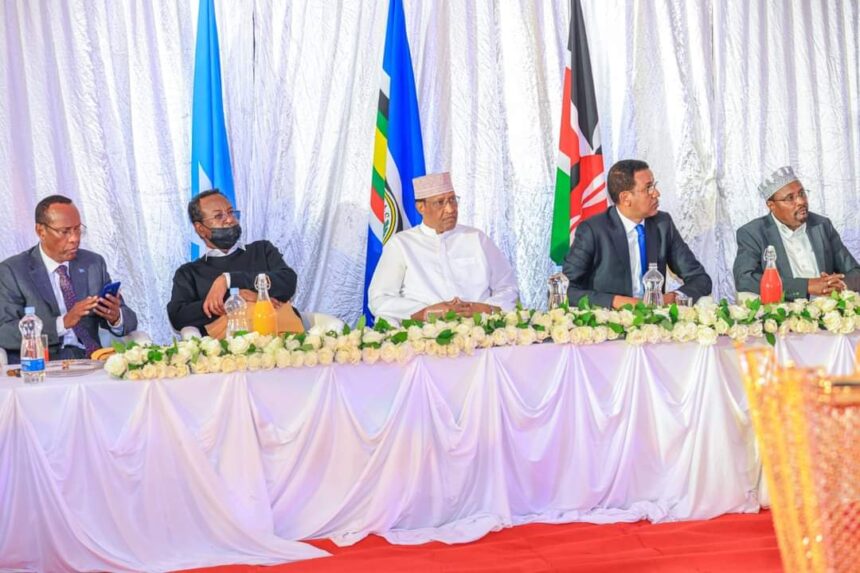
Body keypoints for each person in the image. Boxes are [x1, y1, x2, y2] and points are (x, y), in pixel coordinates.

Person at [0, 195, 138, 363]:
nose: (75, 238)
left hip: (93, 360)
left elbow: (130, 321)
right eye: (65, 232)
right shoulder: (13, 271)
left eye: (78, 229)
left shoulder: (93, 264)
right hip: (43, 364)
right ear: (41, 231)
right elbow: (4, 332)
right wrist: (62, 323)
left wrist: (115, 317)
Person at [368, 172, 519, 322]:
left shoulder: (477, 238)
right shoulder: (401, 244)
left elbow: (508, 287)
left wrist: (485, 309)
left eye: (452, 200)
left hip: (479, 329)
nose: (450, 209)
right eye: (440, 202)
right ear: (421, 207)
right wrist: (424, 312)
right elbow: (379, 299)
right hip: (425, 332)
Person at [563, 159, 712, 308]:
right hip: (611, 318)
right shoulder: (593, 230)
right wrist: (617, 302)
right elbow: (566, 289)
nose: (656, 193)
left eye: (654, 186)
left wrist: (672, 298)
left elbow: (700, 279)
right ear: (625, 198)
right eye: (648, 188)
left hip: (656, 319)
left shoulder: (662, 224)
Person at [167, 189, 299, 332]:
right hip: (227, 344)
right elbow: (178, 317)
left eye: (231, 212)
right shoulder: (189, 273)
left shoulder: (262, 250)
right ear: (200, 229)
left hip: (282, 336)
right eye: (218, 216)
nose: (229, 219)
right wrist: (234, 298)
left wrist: (228, 280)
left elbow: (288, 282)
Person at [733, 166, 860, 300]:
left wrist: (839, 284)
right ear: (771, 205)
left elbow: (855, 272)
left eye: (802, 193)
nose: (801, 201)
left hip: (828, 306)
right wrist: (806, 286)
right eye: (790, 198)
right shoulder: (753, 233)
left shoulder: (821, 225)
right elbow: (744, 279)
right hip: (785, 309)